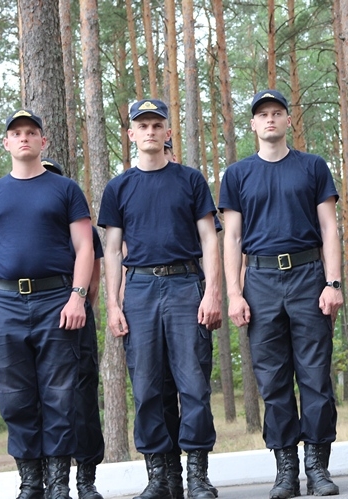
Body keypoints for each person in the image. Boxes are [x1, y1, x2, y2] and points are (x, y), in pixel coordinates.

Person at [220, 89, 342, 498]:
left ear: (289, 120)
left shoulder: (312, 167)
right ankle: (286, 469)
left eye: (277, 112)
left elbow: (329, 228)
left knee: (315, 376)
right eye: (262, 114)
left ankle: (318, 466)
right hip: (260, 281)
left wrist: (333, 283)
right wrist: (234, 294)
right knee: (273, 380)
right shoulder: (237, 175)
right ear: (253, 124)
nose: (270, 119)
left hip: (308, 277)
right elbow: (232, 237)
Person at [0, 109, 94, 499]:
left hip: (56, 301)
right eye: (16, 133)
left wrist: (77, 297)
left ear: (43, 141)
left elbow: (85, 247)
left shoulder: (65, 189)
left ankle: (58, 484)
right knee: (14, 396)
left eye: (31, 132)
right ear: (6, 142)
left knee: (60, 395)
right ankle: (31, 482)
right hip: (5, 303)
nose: (24, 137)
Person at [99, 98, 221, 499]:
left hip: (186, 285)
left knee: (193, 382)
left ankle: (197, 476)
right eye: (142, 125)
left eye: (157, 125)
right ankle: (161, 477)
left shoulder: (190, 180)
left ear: (168, 132)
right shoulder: (118, 188)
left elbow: (209, 239)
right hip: (140, 290)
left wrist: (212, 292)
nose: (150, 131)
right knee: (148, 386)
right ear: (131, 134)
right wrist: (113, 305)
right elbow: (112, 250)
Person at [41, 158, 106, 498]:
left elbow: (93, 278)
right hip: (35, 315)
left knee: (81, 399)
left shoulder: (82, 227)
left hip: (76, 315)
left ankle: (86, 479)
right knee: (43, 401)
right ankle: (50, 479)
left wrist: (80, 307)